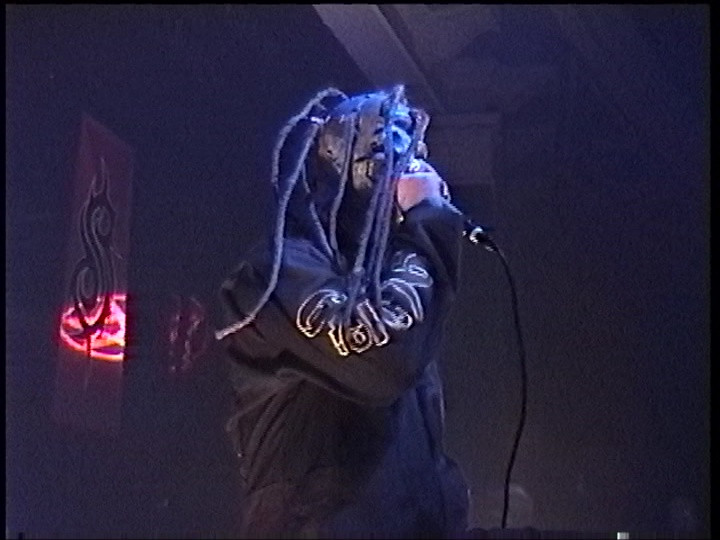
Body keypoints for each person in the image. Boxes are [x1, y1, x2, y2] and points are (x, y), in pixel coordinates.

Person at [216, 85, 470, 538]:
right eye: (390, 150)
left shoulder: (384, 285)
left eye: (415, 153)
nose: (414, 168)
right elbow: (386, 359)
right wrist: (428, 221)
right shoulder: (278, 272)